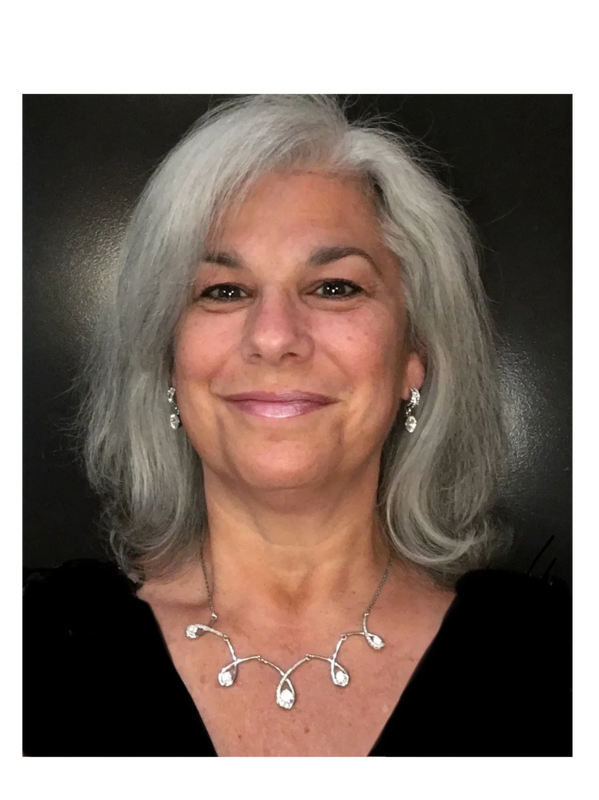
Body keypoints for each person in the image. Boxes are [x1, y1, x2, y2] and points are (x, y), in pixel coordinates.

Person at [20, 92, 573, 760]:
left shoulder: (549, 663)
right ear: (166, 359)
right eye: (222, 291)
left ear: (413, 356)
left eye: (334, 287)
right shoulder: (41, 648)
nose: (274, 337)